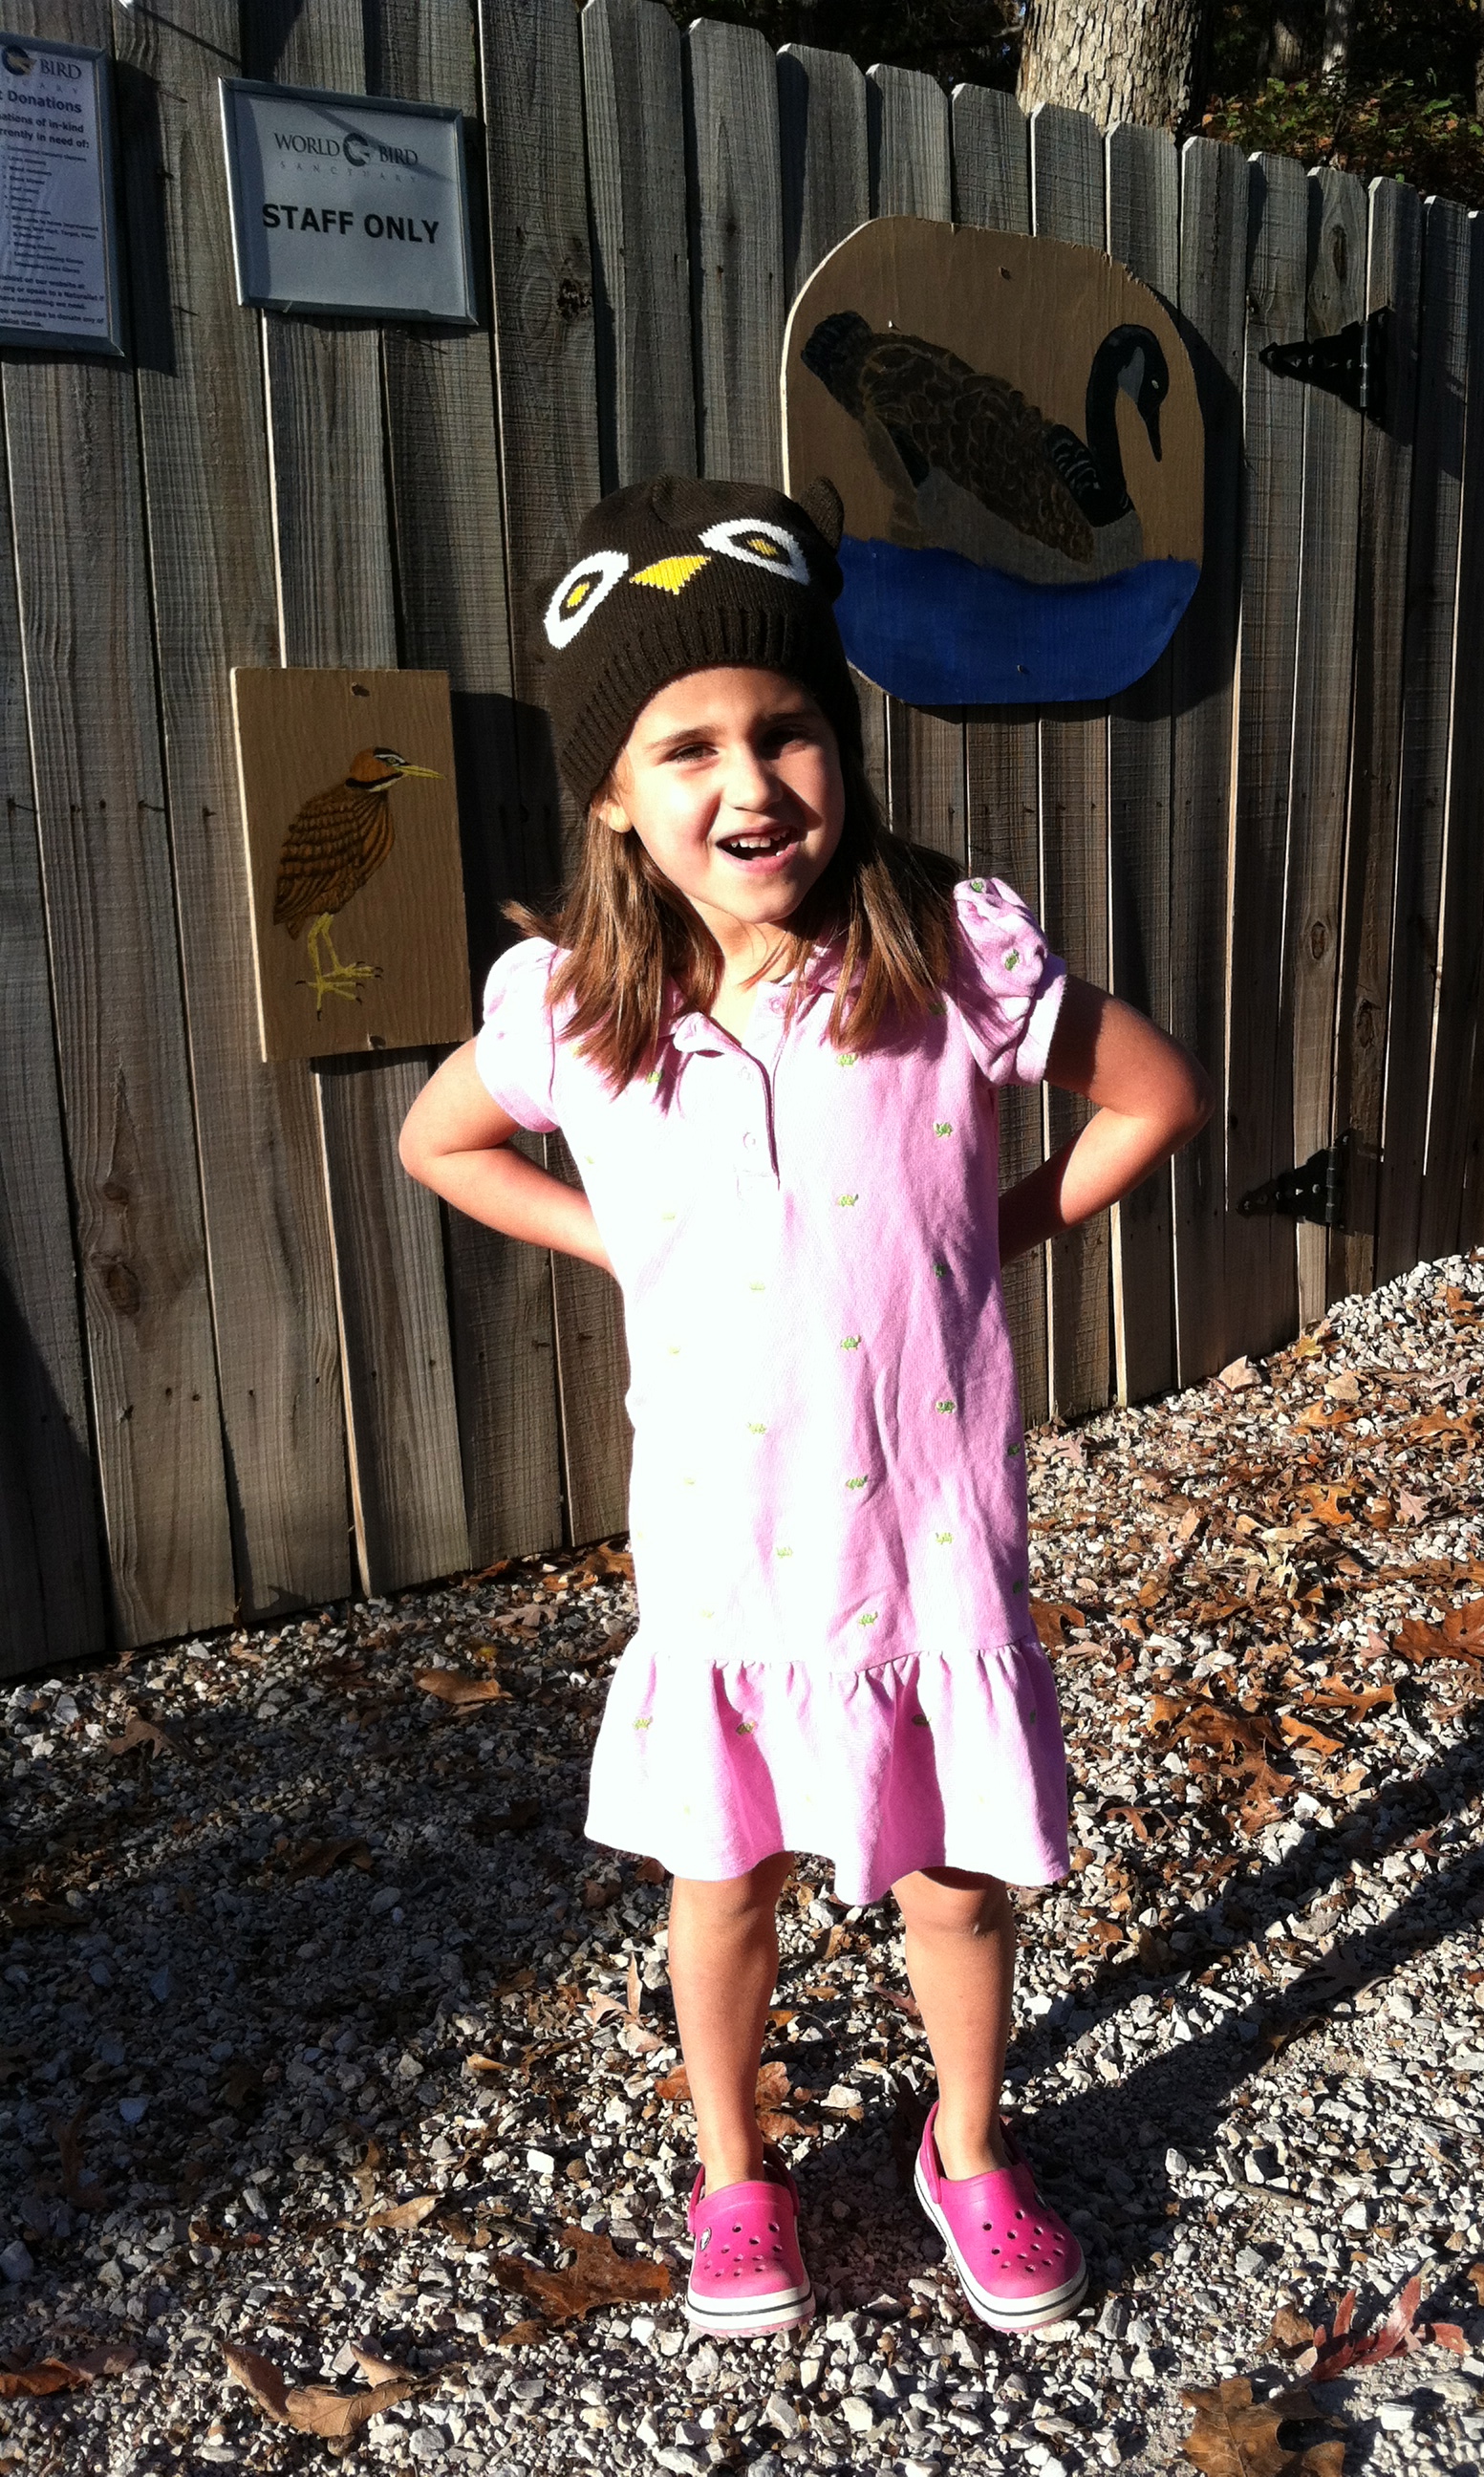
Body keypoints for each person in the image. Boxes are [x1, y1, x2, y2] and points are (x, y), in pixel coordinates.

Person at [398, 473, 1210, 2341]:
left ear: (839, 745)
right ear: (615, 796)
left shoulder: (943, 956)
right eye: (684, 747)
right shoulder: (572, 1007)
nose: (747, 781)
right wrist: (619, 1244)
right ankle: (733, 2170)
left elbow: (1151, 1095)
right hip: (721, 1552)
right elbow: (440, 1141)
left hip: (924, 1539)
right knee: (723, 1885)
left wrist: (988, 1235)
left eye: (784, 729)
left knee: (954, 1885)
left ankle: (966, 2146)